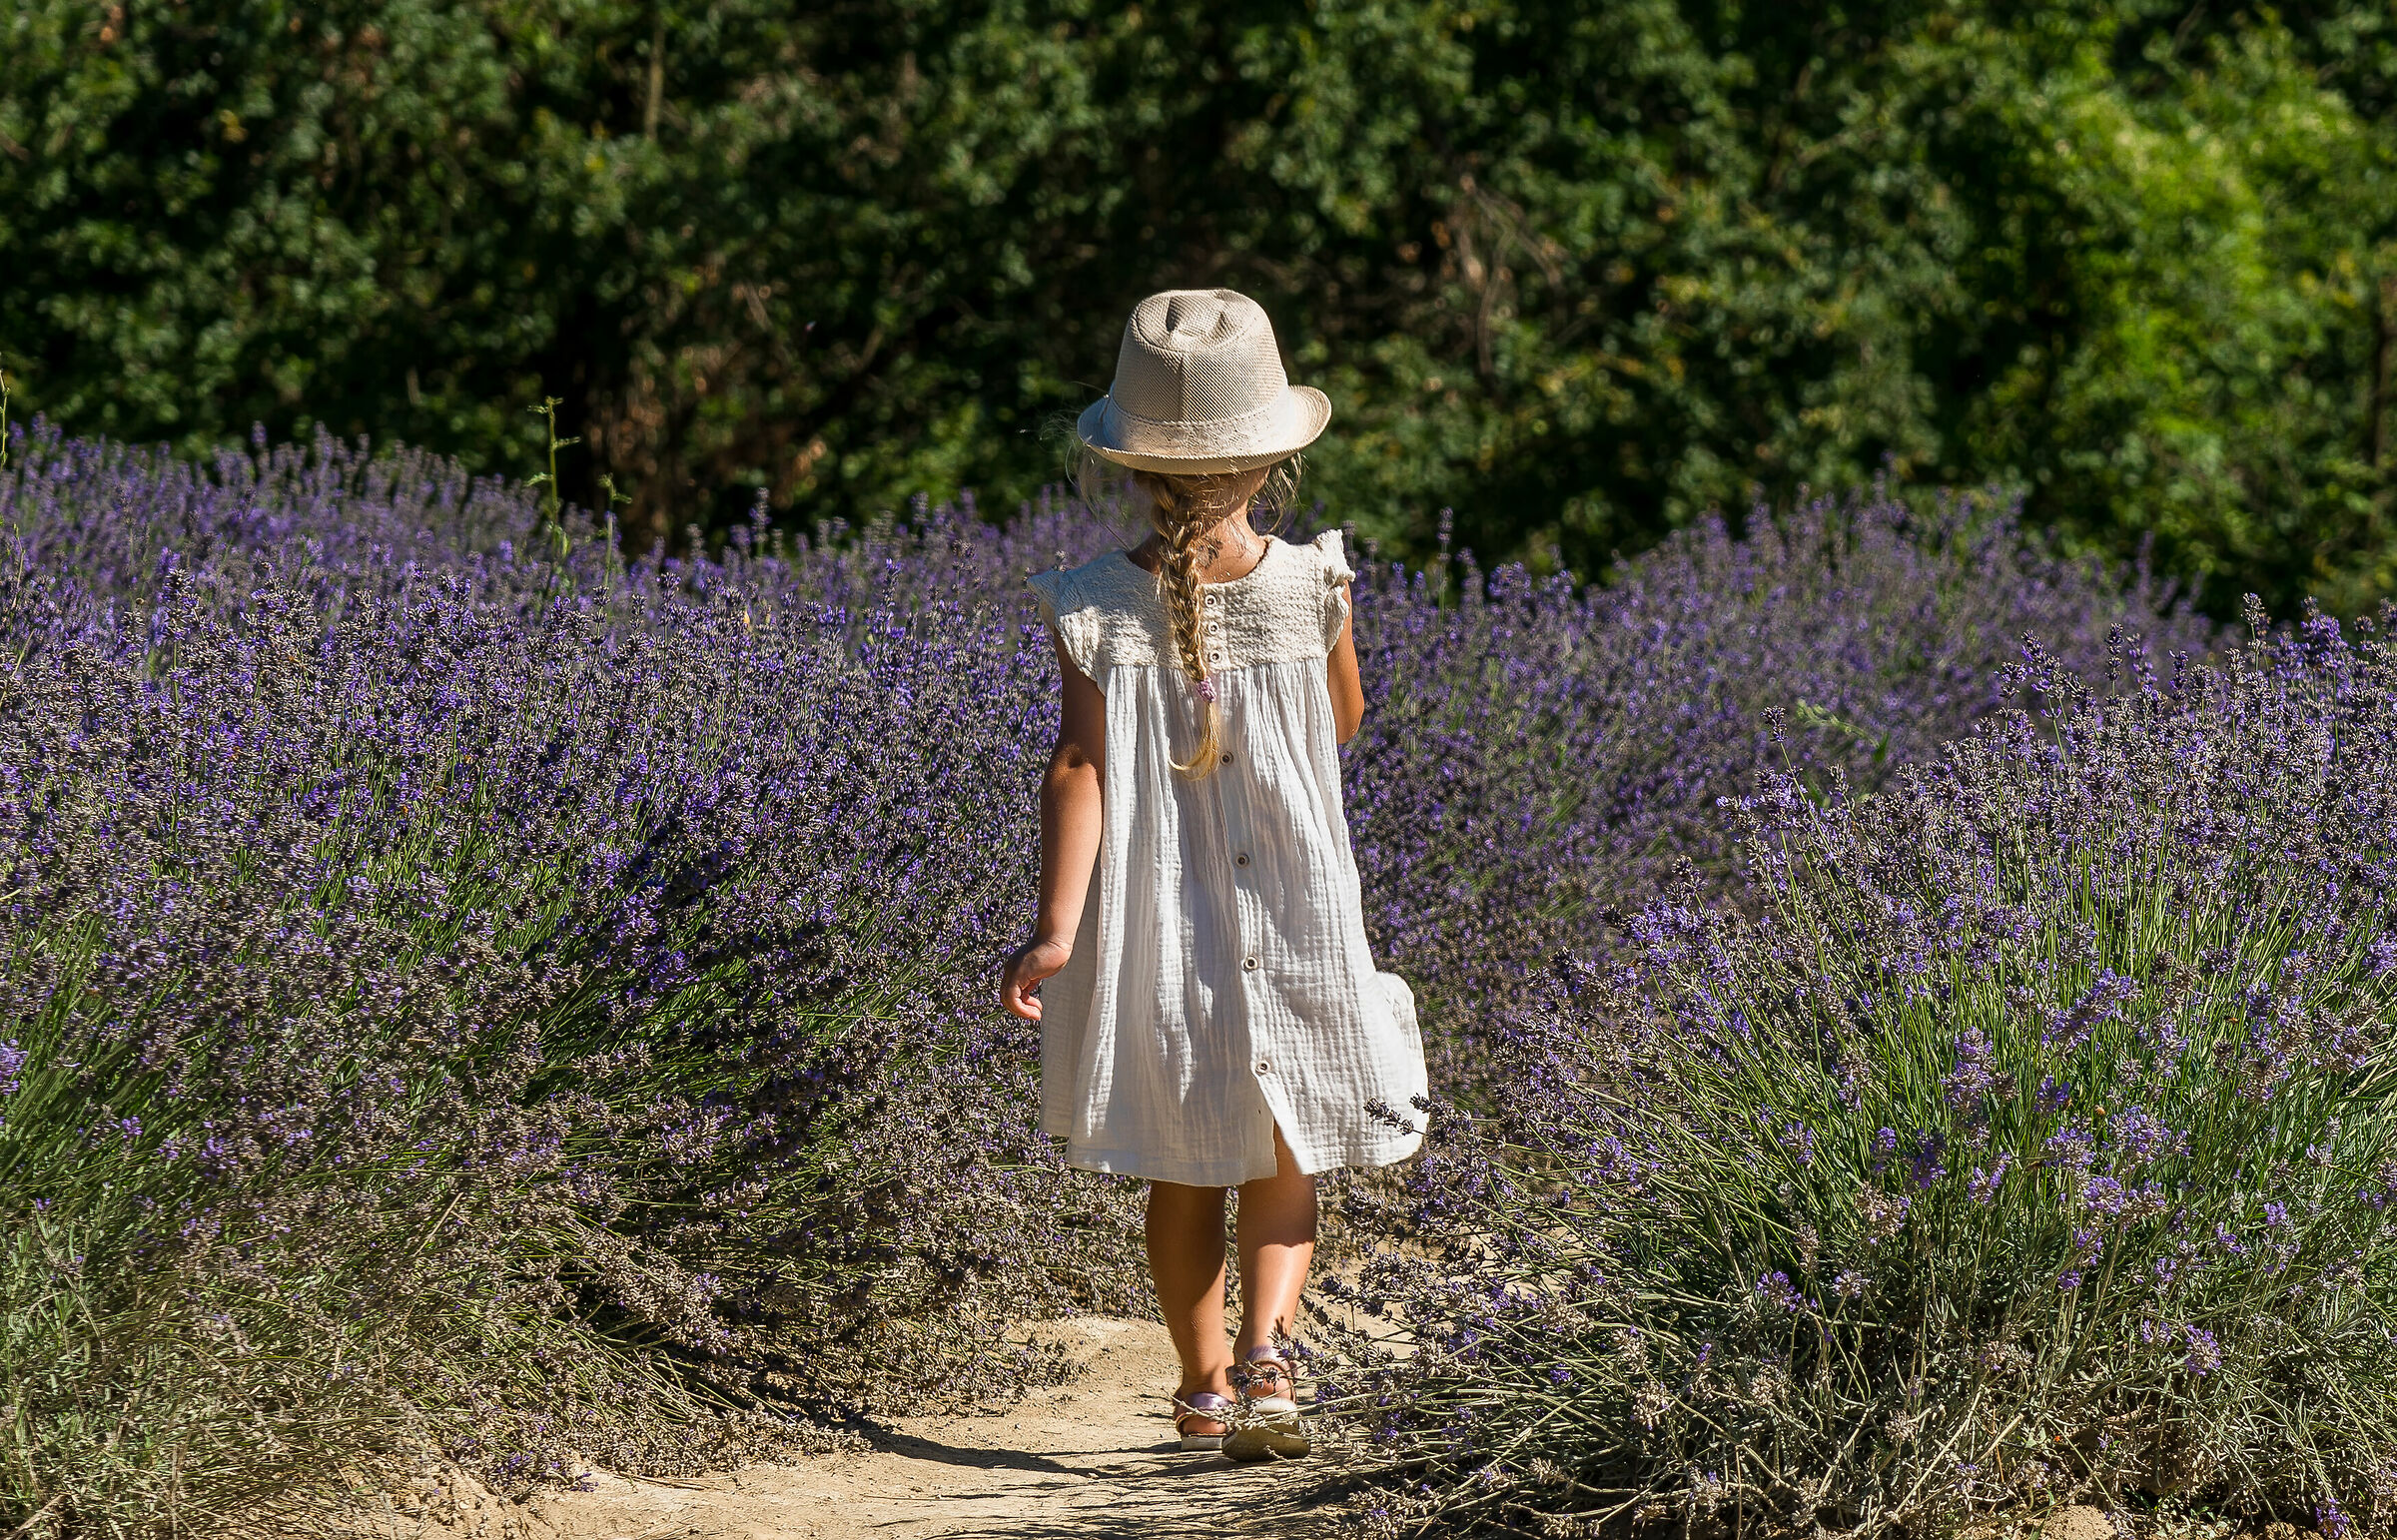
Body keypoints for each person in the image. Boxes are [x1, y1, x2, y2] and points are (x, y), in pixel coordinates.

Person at [998, 289, 1428, 1462]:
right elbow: (1343, 725)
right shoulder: (1317, 586)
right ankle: (1273, 1366)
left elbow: (1078, 768)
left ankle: (1202, 1389)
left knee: (1188, 1165)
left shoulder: (1091, 604)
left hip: (1157, 922)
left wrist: (1055, 930)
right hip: (1299, 911)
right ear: (1273, 463)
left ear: (1133, 469)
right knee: (1290, 1158)